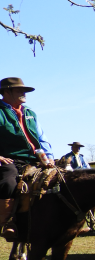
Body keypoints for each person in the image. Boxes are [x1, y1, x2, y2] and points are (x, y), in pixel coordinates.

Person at [0, 77, 55, 241]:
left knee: (61, 178)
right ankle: (7, 222)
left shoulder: (29, 112)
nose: (24, 93)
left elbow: (41, 137)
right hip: (9, 160)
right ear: (7, 92)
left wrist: (49, 157)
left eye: (24, 90)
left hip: (35, 159)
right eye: (19, 90)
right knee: (8, 182)